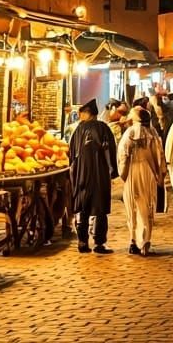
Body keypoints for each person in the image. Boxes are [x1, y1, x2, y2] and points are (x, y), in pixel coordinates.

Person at [68, 98, 118, 254]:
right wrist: (112, 171)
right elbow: (110, 151)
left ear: (87, 113)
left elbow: (71, 154)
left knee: (82, 205)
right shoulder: (103, 128)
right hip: (99, 173)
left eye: (81, 113)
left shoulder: (77, 131)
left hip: (80, 174)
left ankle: (82, 241)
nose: (79, 115)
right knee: (99, 207)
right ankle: (99, 242)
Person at [118, 107, 167, 256]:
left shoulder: (129, 133)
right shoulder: (153, 134)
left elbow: (122, 155)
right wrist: (161, 175)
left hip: (133, 172)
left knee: (132, 207)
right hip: (148, 173)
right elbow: (160, 157)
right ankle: (144, 241)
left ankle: (133, 240)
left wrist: (123, 173)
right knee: (147, 207)